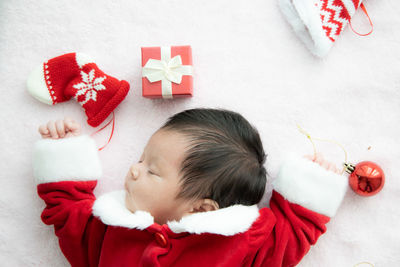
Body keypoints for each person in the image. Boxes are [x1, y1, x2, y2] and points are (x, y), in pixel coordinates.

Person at [33, 108, 347, 267]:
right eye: (141, 159)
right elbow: (68, 216)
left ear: (201, 207)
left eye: (151, 170)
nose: (133, 169)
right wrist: (64, 153)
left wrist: (311, 184)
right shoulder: (110, 231)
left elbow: (289, 237)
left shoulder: (240, 243)